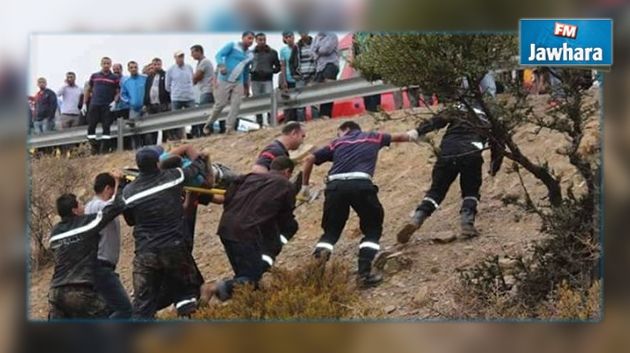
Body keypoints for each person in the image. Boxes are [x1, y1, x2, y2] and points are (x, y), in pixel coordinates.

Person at [299, 120, 418, 287]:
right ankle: (364, 275)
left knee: (331, 231)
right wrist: (417, 133)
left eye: (338, 132)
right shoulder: (373, 137)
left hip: (335, 187)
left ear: (345, 129)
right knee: (373, 229)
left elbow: (310, 158)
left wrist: (304, 186)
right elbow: (403, 136)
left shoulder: (337, 142)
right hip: (361, 185)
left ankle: (315, 271)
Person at [122, 145, 209, 319]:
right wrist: (202, 157)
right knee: (186, 292)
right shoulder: (173, 177)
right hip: (174, 249)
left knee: (143, 304)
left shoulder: (128, 192)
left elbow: (130, 220)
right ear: (157, 162)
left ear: (138, 166)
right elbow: (195, 169)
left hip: (145, 254)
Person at [396, 103, 493, 244]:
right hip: (471, 153)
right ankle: (467, 223)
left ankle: (417, 218)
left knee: (436, 191)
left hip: (448, 152)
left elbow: (438, 120)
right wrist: (494, 166)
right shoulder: (490, 117)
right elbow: (498, 143)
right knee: (470, 191)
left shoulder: (459, 109)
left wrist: (417, 132)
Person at [205, 156, 298, 302]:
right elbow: (285, 219)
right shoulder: (285, 185)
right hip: (247, 233)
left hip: (226, 228)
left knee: (243, 276)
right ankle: (214, 288)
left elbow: (228, 198)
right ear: (287, 171)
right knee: (251, 279)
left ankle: (247, 305)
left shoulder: (248, 178)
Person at [47, 173, 125, 319]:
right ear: (74, 210)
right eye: (80, 204)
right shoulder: (85, 224)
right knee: (113, 315)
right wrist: (119, 185)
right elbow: (116, 207)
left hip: (55, 293)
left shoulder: (54, 234)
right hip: (78, 290)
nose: (84, 207)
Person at [85, 173, 132, 319]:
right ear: (107, 188)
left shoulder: (88, 206)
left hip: (96, 267)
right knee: (125, 309)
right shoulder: (100, 206)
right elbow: (117, 205)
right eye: (113, 189)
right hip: (101, 266)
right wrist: (120, 183)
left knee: (107, 311)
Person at [202, 31, 255, 135]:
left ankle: (229, 128)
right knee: (220, 104)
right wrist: (221, 65)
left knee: (236, 104)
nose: (251, 41)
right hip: (224, 79)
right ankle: (209, 124)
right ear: (243, 38)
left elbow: (246, 70)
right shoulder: (232, 45)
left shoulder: (250, 55)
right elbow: (219, 55)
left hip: (238, 81)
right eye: (249, 38)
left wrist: (246, 86)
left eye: (252, 39)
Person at [84, 57, 120, 154]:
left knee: (106, 127)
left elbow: (118, 92)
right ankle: (94, 147)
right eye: (104, 63)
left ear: (110, 64)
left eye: (108, 63)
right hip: (94, 104)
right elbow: (88, 90)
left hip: (107, 106)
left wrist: (115, 102)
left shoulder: (114, 78)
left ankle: (104, 150)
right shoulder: (94, 76)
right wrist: (84, 103)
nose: (106, 65)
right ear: (101, 64)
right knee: (91, 126)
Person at [250, 32, 281, 127]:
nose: (262, 42)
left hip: (267, 79)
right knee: (256, 102)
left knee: (269, 100)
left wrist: (270, 71)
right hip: (255, 80)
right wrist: (251, 70)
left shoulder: (272, 52)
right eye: (260, 40)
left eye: (264, 40)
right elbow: (245, 65)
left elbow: (278, 67)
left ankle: (271, 122)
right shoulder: (251, 53)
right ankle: (259, 123)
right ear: (256, 41)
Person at [165, 51, 195, 141]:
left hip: (189, 97)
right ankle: (178, 138)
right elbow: (167, 85)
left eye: (182, 56)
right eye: (179, 57)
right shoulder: (171, 70)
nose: (181, 58)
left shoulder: (189, 67)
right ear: (175, 58)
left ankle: (195, 135)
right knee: (176, 120)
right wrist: (175, 92)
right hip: (176, 98)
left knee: (194, 116)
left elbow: (192, 80)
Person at [289, 31, 317, 122]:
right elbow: (291, 61)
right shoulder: (297, 46)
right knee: (300, 102)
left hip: (312, 75)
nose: (303, 34)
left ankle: (315, 122)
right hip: (300, 76)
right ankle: (301, 122)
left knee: (314, 100)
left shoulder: (315, 43)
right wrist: (294, 74)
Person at [311, 32, 339, 119]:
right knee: (318, 90)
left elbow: (327, 49)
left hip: (331, 64)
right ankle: (321, 114)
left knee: (328, 89)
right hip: (319, 67)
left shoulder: (332, 36)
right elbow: (311, 52)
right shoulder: (316, 37)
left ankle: (326, 114)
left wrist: (317, 50)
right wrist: (318, 50)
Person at [144, 58, 170, 144]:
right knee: (152, 126)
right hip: (151, 105)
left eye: (158, 64)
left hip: (162, 104)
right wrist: (145, 103)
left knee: (165, 125)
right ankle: (153, 144)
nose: (156, 66)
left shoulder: (165, 75)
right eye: (154, 64)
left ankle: (165, 142)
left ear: (161, 65)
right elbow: (147, 90)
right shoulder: (149, 77)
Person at [190, 44, 215, 137]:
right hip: (204, 90)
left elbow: (196, 77)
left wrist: (192, 79)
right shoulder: (200, 63)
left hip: (207, 91)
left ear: (199, 52)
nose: (191, 55)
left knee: (204, 113)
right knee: (205, 113)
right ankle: (206, 132)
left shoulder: (205, 62)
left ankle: (207, 133)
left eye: (193, 52)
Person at [279, 31, 298, 122]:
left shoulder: (298, 47)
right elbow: (283, 65)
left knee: (298, 101)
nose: (289, 38)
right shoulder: (283, 51)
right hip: (288, 79)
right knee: (288, 103)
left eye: (291, 36)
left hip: (298, 79)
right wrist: (284, 80)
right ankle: (289, 121)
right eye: (287, 37)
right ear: (284, 39)